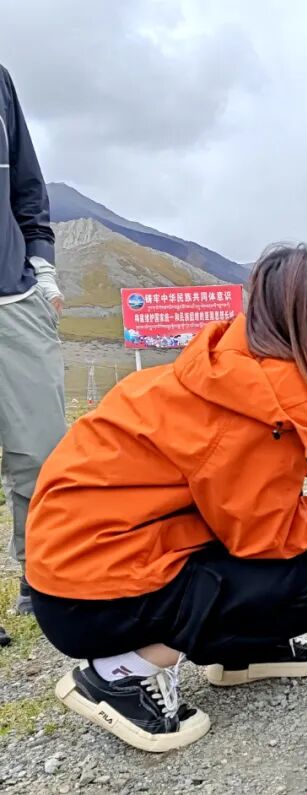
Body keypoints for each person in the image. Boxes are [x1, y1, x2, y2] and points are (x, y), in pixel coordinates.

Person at [24, 246, 307, 752]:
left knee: (278, 562)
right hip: (97, 601)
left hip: (69, 581)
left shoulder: (219, 375)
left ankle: (243, 656)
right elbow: (266, 538)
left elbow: (241, 513)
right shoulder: (262, 412)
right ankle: (117, 675)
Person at [0, 63, 66, 648]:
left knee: (42, 452)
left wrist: (41, 267)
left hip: (13, 297)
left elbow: (26, 180)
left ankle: (40, 576)